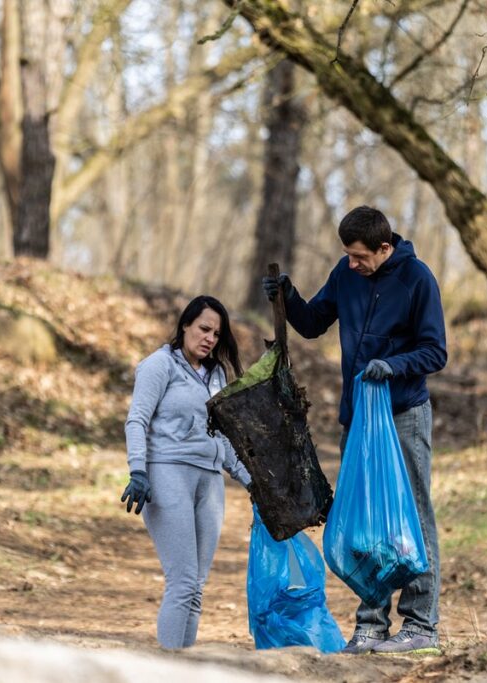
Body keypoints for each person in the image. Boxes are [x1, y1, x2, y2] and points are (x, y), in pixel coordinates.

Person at [262, 205, 447, 656]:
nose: (352, 263)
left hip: (403, 414)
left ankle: (421, 624)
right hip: (359, 417)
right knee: (364, 520)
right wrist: (287, 295)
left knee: (412, 515)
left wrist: (394, 365)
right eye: (347, 254)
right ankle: (371, 625)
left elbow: (435, 351)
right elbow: (312, 324)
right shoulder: (346, 275)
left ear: (385, 248)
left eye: (360, 256)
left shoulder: (417, 279)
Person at [121, 295, 252, 649]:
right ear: (185, 326)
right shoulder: (158, 365)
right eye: (204, 329)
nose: (210, 338)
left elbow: (223, 434)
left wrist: (249, 480)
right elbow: (137, 420)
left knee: (196, 587)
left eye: (216, 334)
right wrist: (138, 471)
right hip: (168, 474)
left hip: (209, 481)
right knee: (182, 582)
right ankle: (167, 666)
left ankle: (183, 664)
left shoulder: (216, 375)